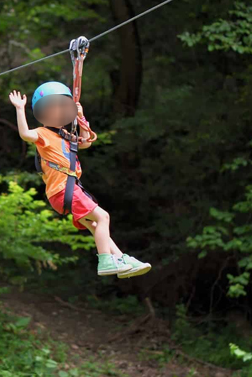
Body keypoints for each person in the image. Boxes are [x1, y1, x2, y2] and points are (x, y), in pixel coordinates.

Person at [9, 83, 151, 278]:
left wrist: (81, 117)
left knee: (94, 225)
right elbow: (25, 134)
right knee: (103, 217)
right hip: (63, 190)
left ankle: (121, 258)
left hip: (66, 191)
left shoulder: (64, 135)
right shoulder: (43, 134)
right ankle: (105, 261)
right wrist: (19, 109)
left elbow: (86, 142)